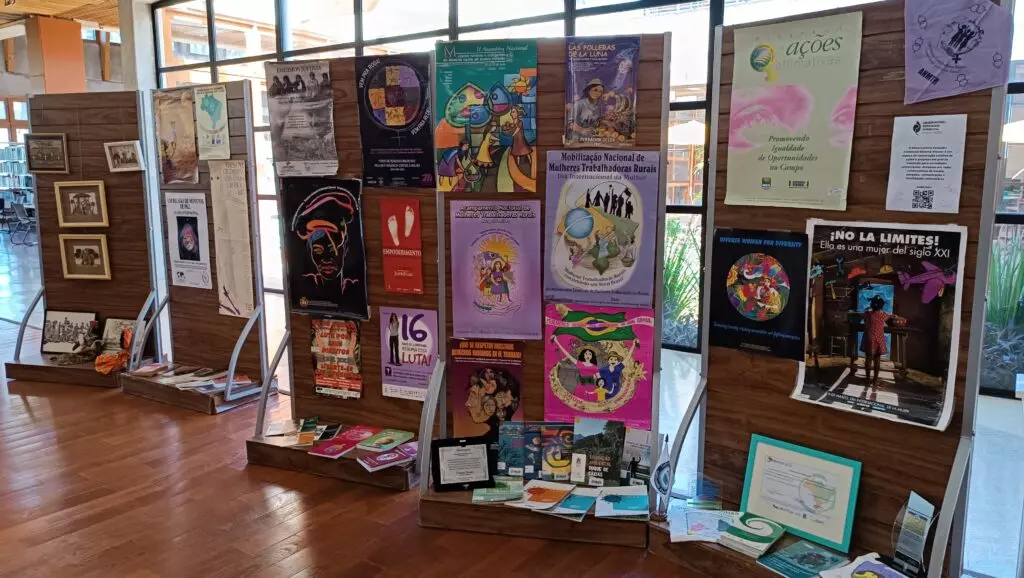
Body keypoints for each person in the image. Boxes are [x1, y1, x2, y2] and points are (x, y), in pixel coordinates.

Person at [858, 295, 899, 386]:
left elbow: (860, 315)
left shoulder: (868, 314)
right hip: (879, 339)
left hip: (869, 338)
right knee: (877, 359)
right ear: (882, 306)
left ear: (872, 305)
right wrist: (894, 316)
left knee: (868, 359)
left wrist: (866, 309)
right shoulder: (883, 315)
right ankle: (875, 380)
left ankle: (867, 380)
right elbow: (893, 316)